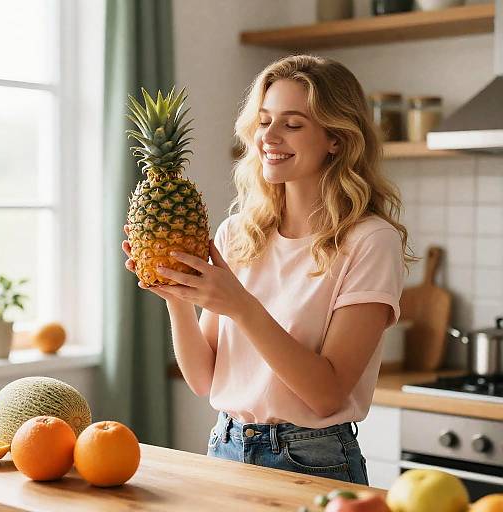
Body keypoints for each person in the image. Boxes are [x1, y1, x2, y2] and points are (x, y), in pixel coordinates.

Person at [122, 55, 415, 485]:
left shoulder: (370, 242)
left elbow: (326, 394)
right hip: (225, 447)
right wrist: (178, 298)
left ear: (336, 138)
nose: (269, 137)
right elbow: (204, 379)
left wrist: (241, 306)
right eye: (263, 121)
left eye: (292, 124)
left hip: (313, 461)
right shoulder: (237, 234)